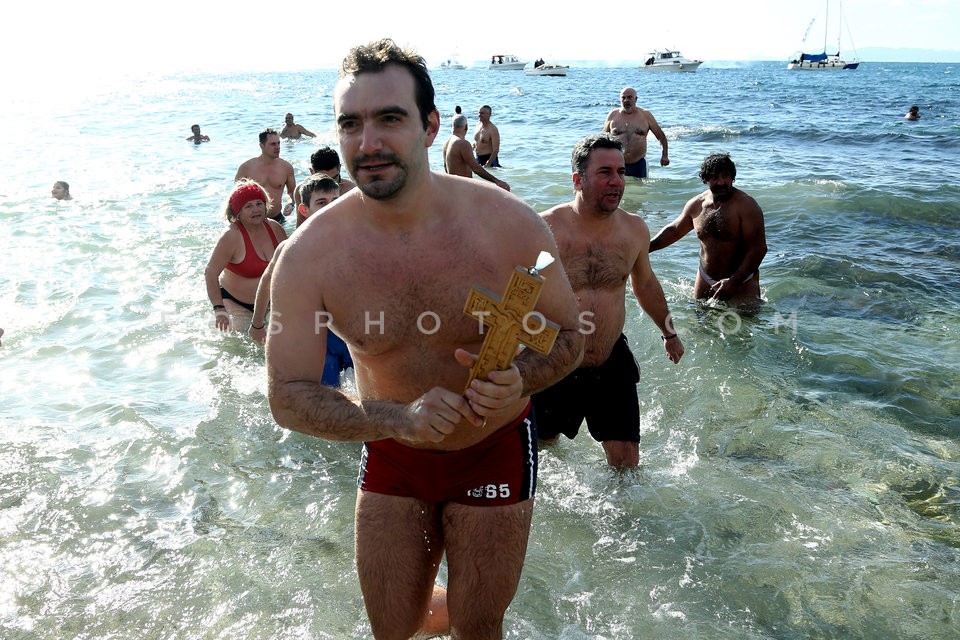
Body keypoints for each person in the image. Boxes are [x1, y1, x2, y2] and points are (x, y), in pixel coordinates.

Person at [266, 38, 583, 639]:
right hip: (393, 449)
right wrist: (398, 418)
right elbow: (287, 396)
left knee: (477, 625)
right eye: (351, 124)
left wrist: (523, 377)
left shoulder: (511, 225)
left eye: (390, 119)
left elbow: (569, 337)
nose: (369, 142)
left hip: (494, 445)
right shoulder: (309, 256)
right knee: (394, 628)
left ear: (430, 126)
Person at [533, 134, 684, 469]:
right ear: (578, 179)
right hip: (555, 358)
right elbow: (517, 292)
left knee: (627, 463)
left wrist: (669, 332)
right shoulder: (544, 229)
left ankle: (629, 522)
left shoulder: (633, 230)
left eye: (621, 171)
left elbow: (644, 283)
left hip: (610, 359)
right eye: (605, 172)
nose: (617, 181)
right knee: (544, 449)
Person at [250, 174, 353, 386]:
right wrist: (258, 323)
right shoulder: (291, 249)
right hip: (318, 339)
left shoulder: (355, 243)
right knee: (327, 399)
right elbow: (267, 282)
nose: (329, 208)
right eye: (321, 203)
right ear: (304, 210)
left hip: (352, 335)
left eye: (335, 202)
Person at [650, 152, 767, 307]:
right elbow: (674, 230)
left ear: (733, 177)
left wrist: (734, 281)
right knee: (698, 325)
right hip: (706, 278)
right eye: (714, 177)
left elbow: (758, 249)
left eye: (725, 176)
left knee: (745, 327)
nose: (720, 182)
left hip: (742, 280)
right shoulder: (697, 205)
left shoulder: (747, 206)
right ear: (705, 179)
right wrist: (645, 248)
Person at [204, 179, 288, 332]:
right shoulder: (231, 236)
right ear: (238, 213)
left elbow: (291, 265)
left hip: (270, 302)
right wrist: (218, 308)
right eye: (248, 206)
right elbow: (210, 272)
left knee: (282, 336)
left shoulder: (275, 228)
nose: (256, 209)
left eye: (259, 203)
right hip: (235, 302)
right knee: (242, 346)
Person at [602, 87, 669, 178]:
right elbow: (603, 139)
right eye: (623, 98)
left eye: (629, 97)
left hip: (639, 164)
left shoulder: (646, 116)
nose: (626, 100)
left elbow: (661, 136)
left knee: (641, 191)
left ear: (636, 99)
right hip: (618, 163)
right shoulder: (612, 115)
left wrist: (664, 155)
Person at [235, 128, 297, 224]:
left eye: (278, 143)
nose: (277, 147)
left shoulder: (286, 167)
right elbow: (236, 197)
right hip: (251, 220)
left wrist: (291, 204)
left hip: (277, 218)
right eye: (273, 144)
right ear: (261, 145)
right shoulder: (246, 168)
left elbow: (292, 194)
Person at [443, 115, 510, 191]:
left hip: (453, 188)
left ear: (452, 126)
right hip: (463, 189)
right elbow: (476, 169)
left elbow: (445, 166)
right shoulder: (463, 143)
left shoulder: (446, 143)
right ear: (466, 127)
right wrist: (496, 181)